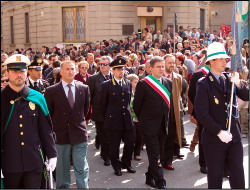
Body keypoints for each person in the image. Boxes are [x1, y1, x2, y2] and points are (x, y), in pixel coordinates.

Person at [195, 42, 249, 189]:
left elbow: (246, 95)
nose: (225, 61)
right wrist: (219, 131)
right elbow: (201, 113)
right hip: (215, 138)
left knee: (238, 175)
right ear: (211, 61)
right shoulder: (203, 84)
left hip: (234, 136)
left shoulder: (229, 79)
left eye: (225, 58)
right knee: (215, 177)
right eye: (220, 58)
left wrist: (238, 83)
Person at [1, 54, 57, 188]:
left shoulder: (37, 98)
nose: (19, 75)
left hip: (34, 162)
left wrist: (52, 154)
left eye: (22, 71)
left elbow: (46, 130)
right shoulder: (1, 99)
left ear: (26, 73)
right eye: (14, 71)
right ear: (7, 73)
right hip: (9, 163)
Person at [44, 60, 90, 188]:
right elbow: (49, 114)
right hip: (60, 135)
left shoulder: (84, 88)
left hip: (79, 133)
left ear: (75, 71)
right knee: (62, 169)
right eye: (67, 69)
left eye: (72, 69)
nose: (70, 71)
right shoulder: (51, 91)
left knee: (81, 166)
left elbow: (84, 111)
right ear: (61, 72)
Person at [133, 56, 172, 189]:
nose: (161, 69)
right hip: (149, 127)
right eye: (158, 67)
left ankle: (149, 177)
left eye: (163, 66)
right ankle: (160, 182)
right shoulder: (144, 84)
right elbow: (137, 106)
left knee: (157, 154)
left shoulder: (167, 83)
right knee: (155, 156)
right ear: (151, 69)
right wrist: (145, 121)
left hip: (163, 126)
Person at [100, 56, 136, 176]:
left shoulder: (128, 83)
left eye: (123, 69)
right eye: (118, 69)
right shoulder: (106, 85)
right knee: (114, 146)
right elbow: (102, 106)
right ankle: (116, 166)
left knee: (130, 143)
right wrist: (108, 118)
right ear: (113, 71)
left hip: (127, 119)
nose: (121, 71)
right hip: (113, 120)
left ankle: (127, 163)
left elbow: (128, 101)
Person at [87, 56, 113, 166]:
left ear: (110, 66)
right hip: (100, 113)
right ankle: (106, 156)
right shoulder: (93, 79)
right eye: (100, 64)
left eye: (104, 64)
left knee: (112, 135)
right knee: (104, 135)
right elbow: (89, 97)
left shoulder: (115, 76)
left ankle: (110, 153)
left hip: (113, 112)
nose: (101, 66)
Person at [160, 54, 185, 171]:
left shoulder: (178, 78)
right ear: (164, 63)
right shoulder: (155, 77)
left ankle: (168, 161)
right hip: (159, 114)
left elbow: (180, 94)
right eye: (169, 62)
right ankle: (158, 159)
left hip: (173, 112)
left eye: (173, 63)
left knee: (170, 137)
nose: (172, 65)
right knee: (160, 138)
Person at [188, 60, 211, 174]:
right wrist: (197, 110)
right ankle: (204, 163)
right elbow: (192, 93)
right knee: (203, 137)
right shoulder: (198, 74)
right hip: (203, 112)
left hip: (218, 112)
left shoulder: (222, 74)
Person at [127, 74, 143, 161]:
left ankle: (137, 153)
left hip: (139, 118)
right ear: (130, 82)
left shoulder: (139, 92)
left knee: (140, 137)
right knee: (132, 137)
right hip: (130, 118)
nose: (137, 84)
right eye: (135, 82)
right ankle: (129, 153)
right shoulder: (127, 92)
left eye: (138, 82)